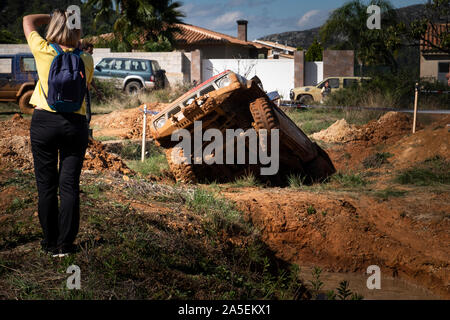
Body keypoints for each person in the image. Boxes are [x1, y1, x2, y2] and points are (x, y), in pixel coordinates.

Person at [23, 10, 94, 257]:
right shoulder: (86, 59)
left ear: (54, 28)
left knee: (46, 186)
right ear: (78, 31)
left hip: (44, 122)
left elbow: (28, 20)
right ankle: (66, 245)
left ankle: (50, 243)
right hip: (74, 125)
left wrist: (52, 16)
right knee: (69, 186)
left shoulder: (43, 49)